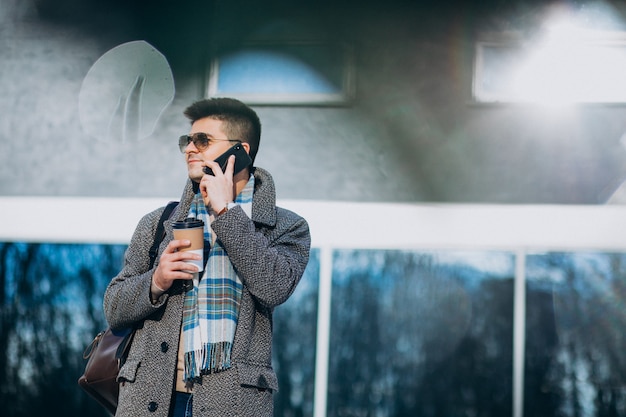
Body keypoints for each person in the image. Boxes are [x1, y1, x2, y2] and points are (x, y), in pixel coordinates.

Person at [103, 97, 311, 417]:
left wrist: (226, 214)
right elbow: (113, 306)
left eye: (202, 140)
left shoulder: (287, 226)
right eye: (187, 140)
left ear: (240, 150)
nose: (189, 148)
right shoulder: (158, 222)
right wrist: (155, 282)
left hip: (231, 404)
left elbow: (275, 286)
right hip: (149, 400)